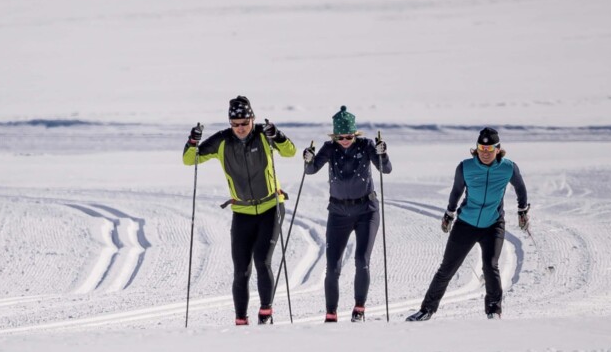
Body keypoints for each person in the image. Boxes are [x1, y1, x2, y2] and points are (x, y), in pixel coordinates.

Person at [183, 95, 297, 325]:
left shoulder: (264, 136)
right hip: (242, 213)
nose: (241, 128)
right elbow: (190, 160)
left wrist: (278, 135)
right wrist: (192, 141)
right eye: (235, 124)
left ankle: (266, 313)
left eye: (245, 123)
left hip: (271, 208)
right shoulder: (222, 141)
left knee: (262, 261)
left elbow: (290, 152)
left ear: (252, 119)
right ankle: (240, 320)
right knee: (240, 270)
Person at [406, 127, 529, 321]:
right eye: (482, 148)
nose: (485, 153)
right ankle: (426, 309)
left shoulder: (508, 168)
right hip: (466, 224)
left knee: (490, 265)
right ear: (476, 148)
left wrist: (522, 210)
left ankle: (493, 311)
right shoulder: (465, 167)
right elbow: (456, 192)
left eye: (490, 149)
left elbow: (520, 188)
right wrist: (449, 214)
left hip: (493, 224)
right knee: (447, 268)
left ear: (498, 149)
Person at [302, 106, 393, 322]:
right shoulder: (329, 148)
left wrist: (383, 153)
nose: (345, 140)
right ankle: (331, 313)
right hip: (338, 213)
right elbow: (311, 170)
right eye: (341, 136)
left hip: (366, 211)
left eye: (349, 136)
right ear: (334, 135)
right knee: (332, 266)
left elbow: (386, 169)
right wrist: (307, 158)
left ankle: (359, 309)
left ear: (355, 134)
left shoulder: (366, 145)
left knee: (362, 259)